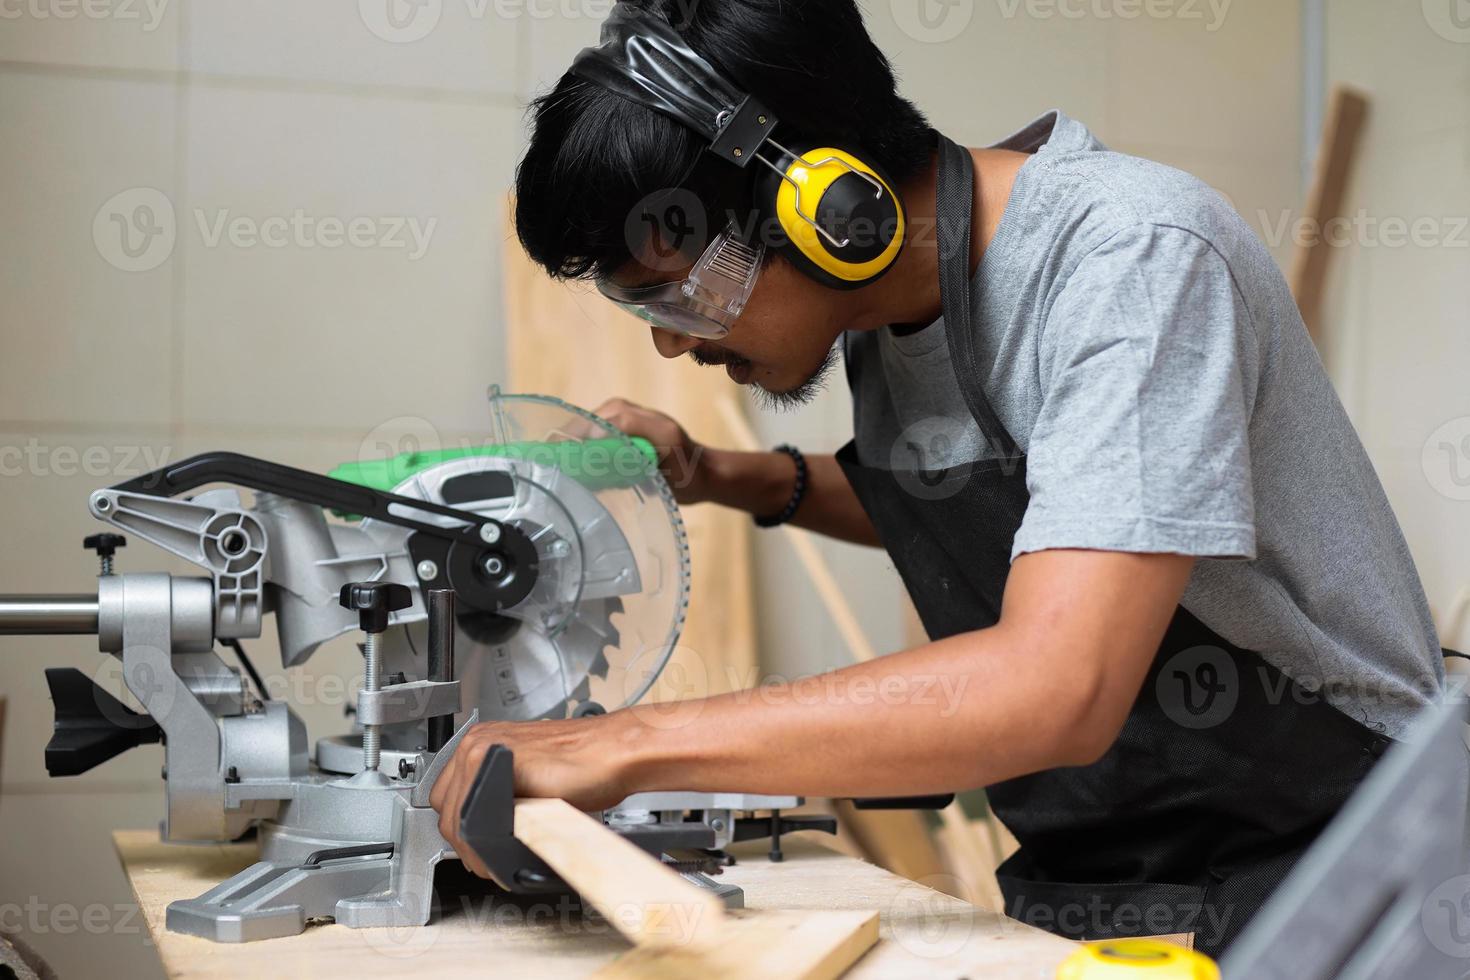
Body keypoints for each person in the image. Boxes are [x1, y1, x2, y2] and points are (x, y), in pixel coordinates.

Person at [429, 0, 1445, 956]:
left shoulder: (1128, 260)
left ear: (828, 203)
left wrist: (630, 744)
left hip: (1333, 859)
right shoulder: (892, 309)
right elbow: (982, 509)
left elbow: (1061, 681)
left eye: (684, 297)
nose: (668, 345)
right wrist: (715, 472)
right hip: (1108, 870)